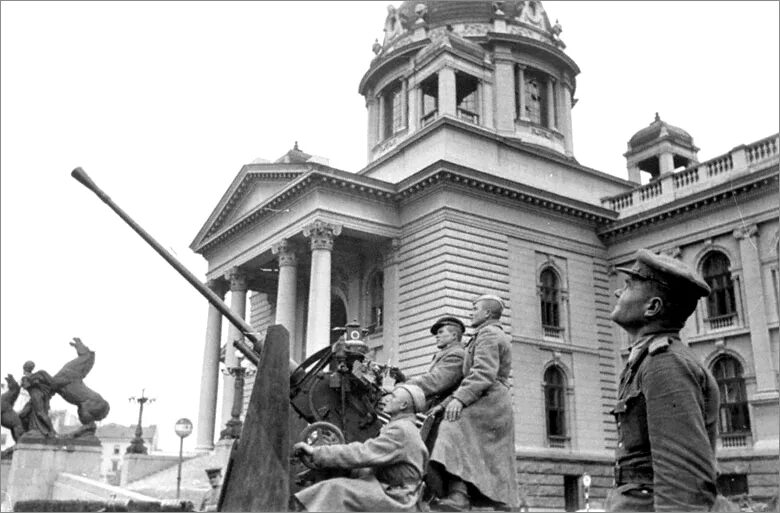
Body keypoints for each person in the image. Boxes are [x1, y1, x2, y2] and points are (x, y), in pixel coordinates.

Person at [606, 248, 723, 511]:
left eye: (628, 285)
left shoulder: (664, 363)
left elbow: (682, 482)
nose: (617, 292)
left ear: (653, 307)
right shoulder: (648, 360)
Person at [430, 294, 518, 511]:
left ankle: (459, 495)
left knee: (451, 428)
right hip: (488, 398)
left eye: (475, 308)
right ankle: (486, 498)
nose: (471, 312)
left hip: (490, 400)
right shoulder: (485, 334)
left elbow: (483, 373)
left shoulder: (488, 334)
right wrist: (445, 403)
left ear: (487, 313)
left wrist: (458, 400)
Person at [293, 383, 429, 512]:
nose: (386, 399)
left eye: (393, 397)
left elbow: (362, 452)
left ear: (403, 405)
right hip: (395, 490)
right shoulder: (404, 427)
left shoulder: (402, 430)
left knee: (335, 489)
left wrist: (317, 452)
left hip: (396, 497)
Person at [18, 361, 56, 438]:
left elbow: (26, 385)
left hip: (37, 397)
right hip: (33, 399)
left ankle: (52, 430)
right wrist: (35, 382)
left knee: (40, 413)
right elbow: (26, 385)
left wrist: (35, 383)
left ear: (25, 368)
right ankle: (27, 431)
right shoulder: (28, 378)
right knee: (22, 414)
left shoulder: (34, 376)